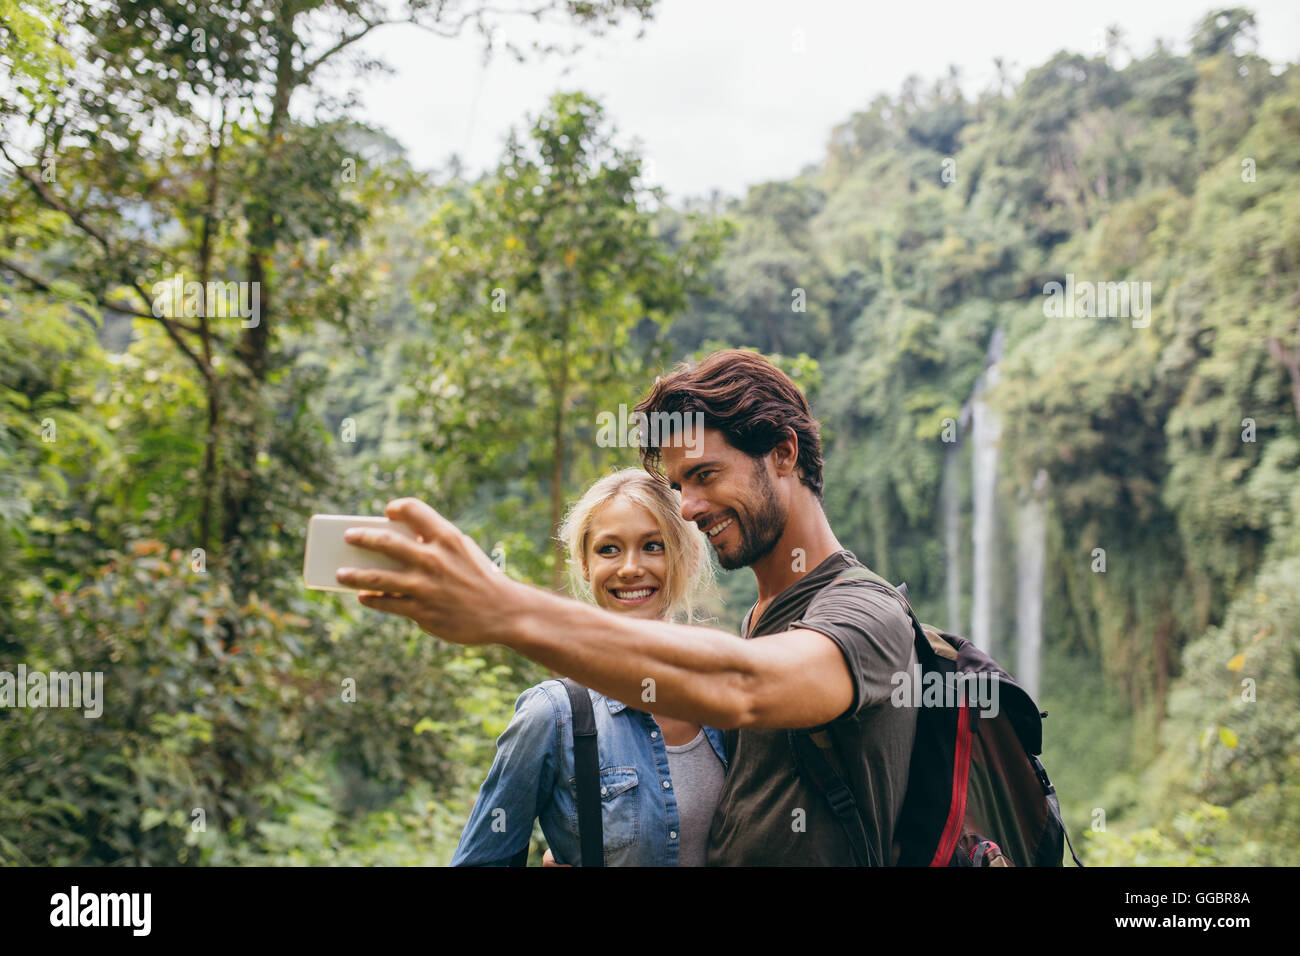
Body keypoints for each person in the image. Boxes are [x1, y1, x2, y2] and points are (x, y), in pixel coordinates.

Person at [340, 349, 918, 866]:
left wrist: (507, 610)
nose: (688, 507)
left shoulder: (866, 613)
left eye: (705, 475)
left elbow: (745, 686)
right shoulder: (762, 621)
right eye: (679, 485)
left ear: (784, 453)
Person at [449, 468, 727, 866]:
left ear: (688, 554)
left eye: (653, 546)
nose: (630, 567)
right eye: (609, 549)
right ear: (583, 564)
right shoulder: (554, 717)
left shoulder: (729, 701)